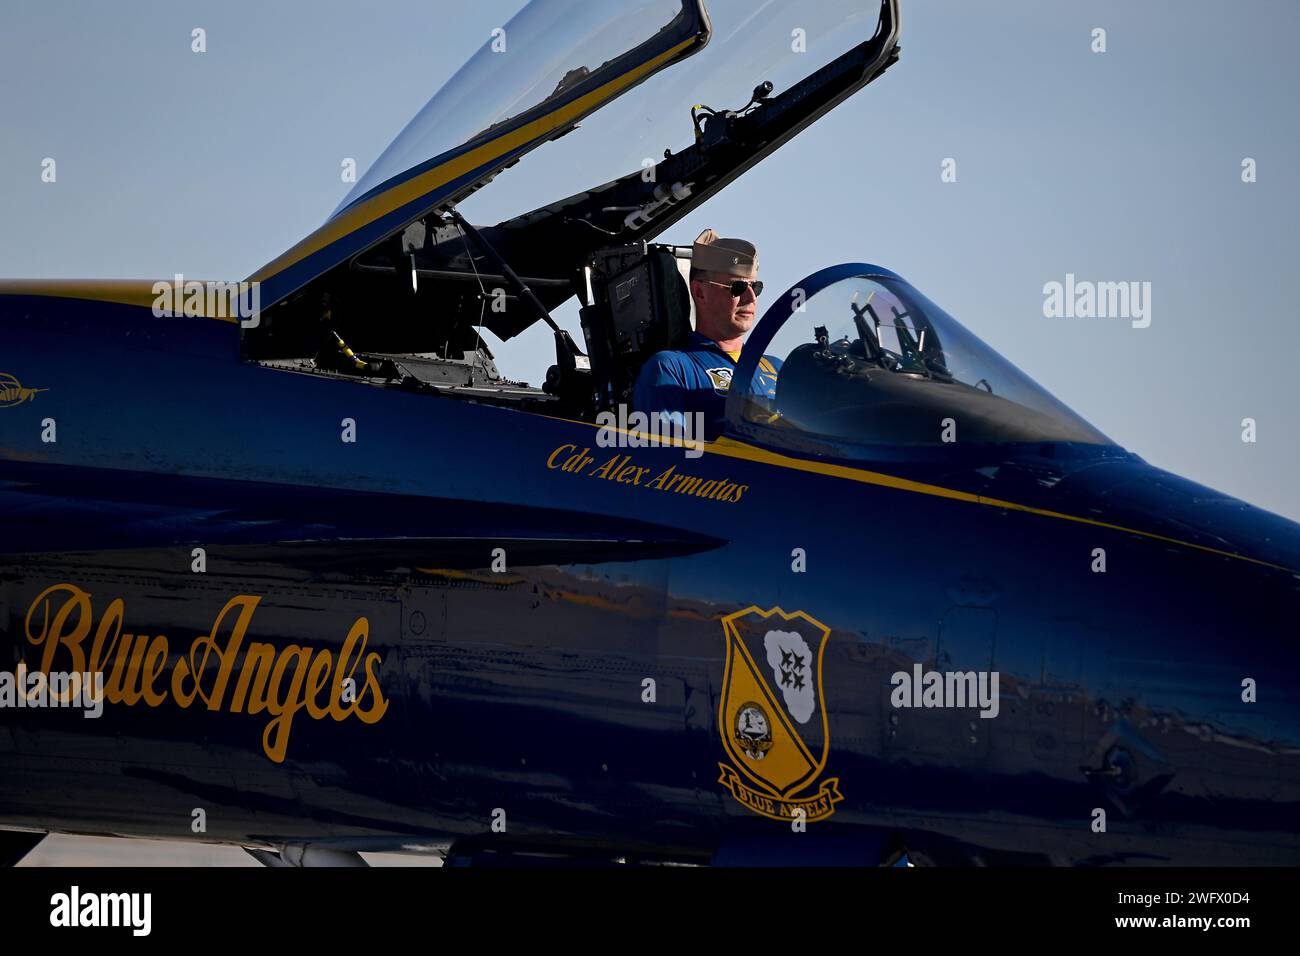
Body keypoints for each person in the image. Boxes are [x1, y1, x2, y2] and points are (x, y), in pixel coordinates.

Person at [633, 228, 781, 439]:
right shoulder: (673, 369)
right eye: (737, 287)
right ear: (700, 292)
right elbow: (667, 461)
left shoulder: (777, 368)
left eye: (754, 287)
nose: (751, 298)